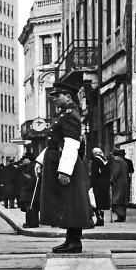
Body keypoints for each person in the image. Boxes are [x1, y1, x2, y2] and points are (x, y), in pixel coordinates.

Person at [35, 82, 95, 253]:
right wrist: (40, 161)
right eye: (53, 95)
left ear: (68, 96)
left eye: (57, 95)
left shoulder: (70, 114)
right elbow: (54, 142)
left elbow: (71, 142)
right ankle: (70, 240)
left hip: (66, 164)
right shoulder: (63, 114)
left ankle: (74, 241)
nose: (54, 98)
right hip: (58, 161)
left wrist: (65, 170)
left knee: (72, 202)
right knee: (67, 202)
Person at [89, 147, 111, 226]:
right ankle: (101, 217)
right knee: (102, 201)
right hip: (105, 182)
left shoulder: (96, 160)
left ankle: (99, 218)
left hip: (98, 183)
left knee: (96, 201)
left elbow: (94, 173)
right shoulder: (105, 160)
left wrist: (91, 184)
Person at [18, 154, 39, 228]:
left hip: (31, 191)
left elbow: (34, 178)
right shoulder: (30, 166)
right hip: (30, 191)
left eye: (25, 159)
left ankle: (32, 223)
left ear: (28, 159)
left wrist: (26, 187)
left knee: (31, 207)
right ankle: (30, 223)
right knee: (30, 207)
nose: (23, 161)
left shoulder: (32, 166)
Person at [109, 149, 130, 222]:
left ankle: (121, 214)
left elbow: (116, 172)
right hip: (124, 182)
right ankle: (121, 217)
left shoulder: (116, 161)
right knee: (122, 200)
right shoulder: (123, 161)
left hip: (118, 183)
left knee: (116, 200)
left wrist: (112, 180)